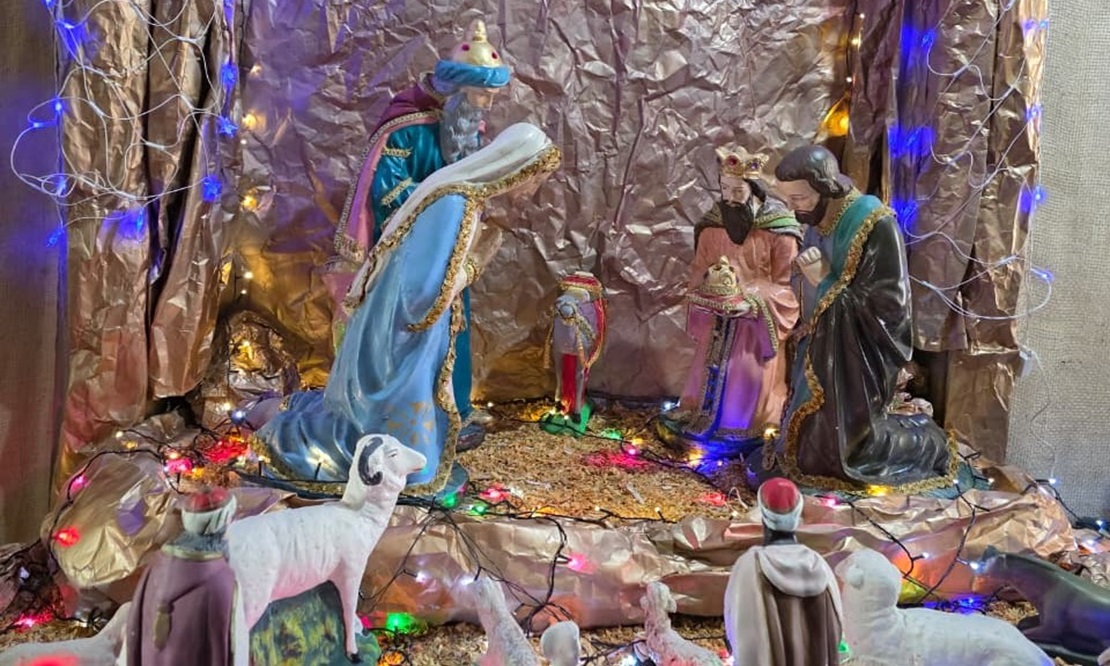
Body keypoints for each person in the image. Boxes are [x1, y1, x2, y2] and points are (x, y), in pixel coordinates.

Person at [255, 123, 561, 497]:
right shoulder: (455, 203)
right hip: (403, 335)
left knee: (415, 421)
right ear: (513, 169)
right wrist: (474, 264)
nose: (532, 191)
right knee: (402, 430)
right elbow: (423, 294)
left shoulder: (461, 197)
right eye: (534, 179)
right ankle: (344, 453)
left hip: (408, 330)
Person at [327, 17, 511, 438]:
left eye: (492, 95)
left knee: (454, 326)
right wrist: (443, 204)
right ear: (458, 89)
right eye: (483, 94)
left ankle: (454, 409)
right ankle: (412, 418)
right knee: (415, 334)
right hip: (411, 255)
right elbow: (388, 192)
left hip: (451, 249)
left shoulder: (463, 127)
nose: (488, 104)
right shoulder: (408, 127)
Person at [763, 145, 953, 491]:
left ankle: (926, 442)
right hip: (822, 351)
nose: (792, 208)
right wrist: (810, 281)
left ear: (825, 187)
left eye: (799, 198)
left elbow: (889, 310)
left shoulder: (875, 224)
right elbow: (805, 282)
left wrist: (825, 280)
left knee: (845, 455)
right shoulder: (817, 219)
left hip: (856, 360)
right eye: (787, 199)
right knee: (805, 448)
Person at [658, 147, 800, 457]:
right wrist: (703, 292)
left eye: (738, 191)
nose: (730, 198)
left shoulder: (780, 231)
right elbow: (699, 270)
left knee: (747, 377)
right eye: (725, 189)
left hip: (754, 327)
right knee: (705, 371)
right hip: (717, 323)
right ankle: (697, 412)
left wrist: (752, 301)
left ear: (755, 190)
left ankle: (747, 427)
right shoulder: (713, 228)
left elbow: (789, 286)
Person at [724, 477, 842, 666]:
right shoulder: (819, 565)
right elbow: (836, 630)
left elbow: (740, 633)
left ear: (763, 515)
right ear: (798, 514)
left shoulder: (751, 566)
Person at [126, 488, 246, 665]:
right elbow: (228, 648)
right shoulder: (220, 581)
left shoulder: (156, 565)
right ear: (222, 523)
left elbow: (134, 629)